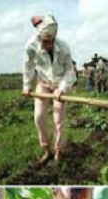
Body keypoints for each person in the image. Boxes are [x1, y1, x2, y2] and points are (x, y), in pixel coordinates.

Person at [23, 15, 76, 163]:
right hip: (43, 82)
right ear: (39, 37)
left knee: (58, 120)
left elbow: (70, 70)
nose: (48, 44)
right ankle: (46, 150)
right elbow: (28, 66)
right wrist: (27, 86)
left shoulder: (64, 47)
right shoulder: (31, 46)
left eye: (51, 41)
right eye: (45, 41)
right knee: (39, 116)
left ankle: (58, 150)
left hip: (60, 85)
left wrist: (63, 88)